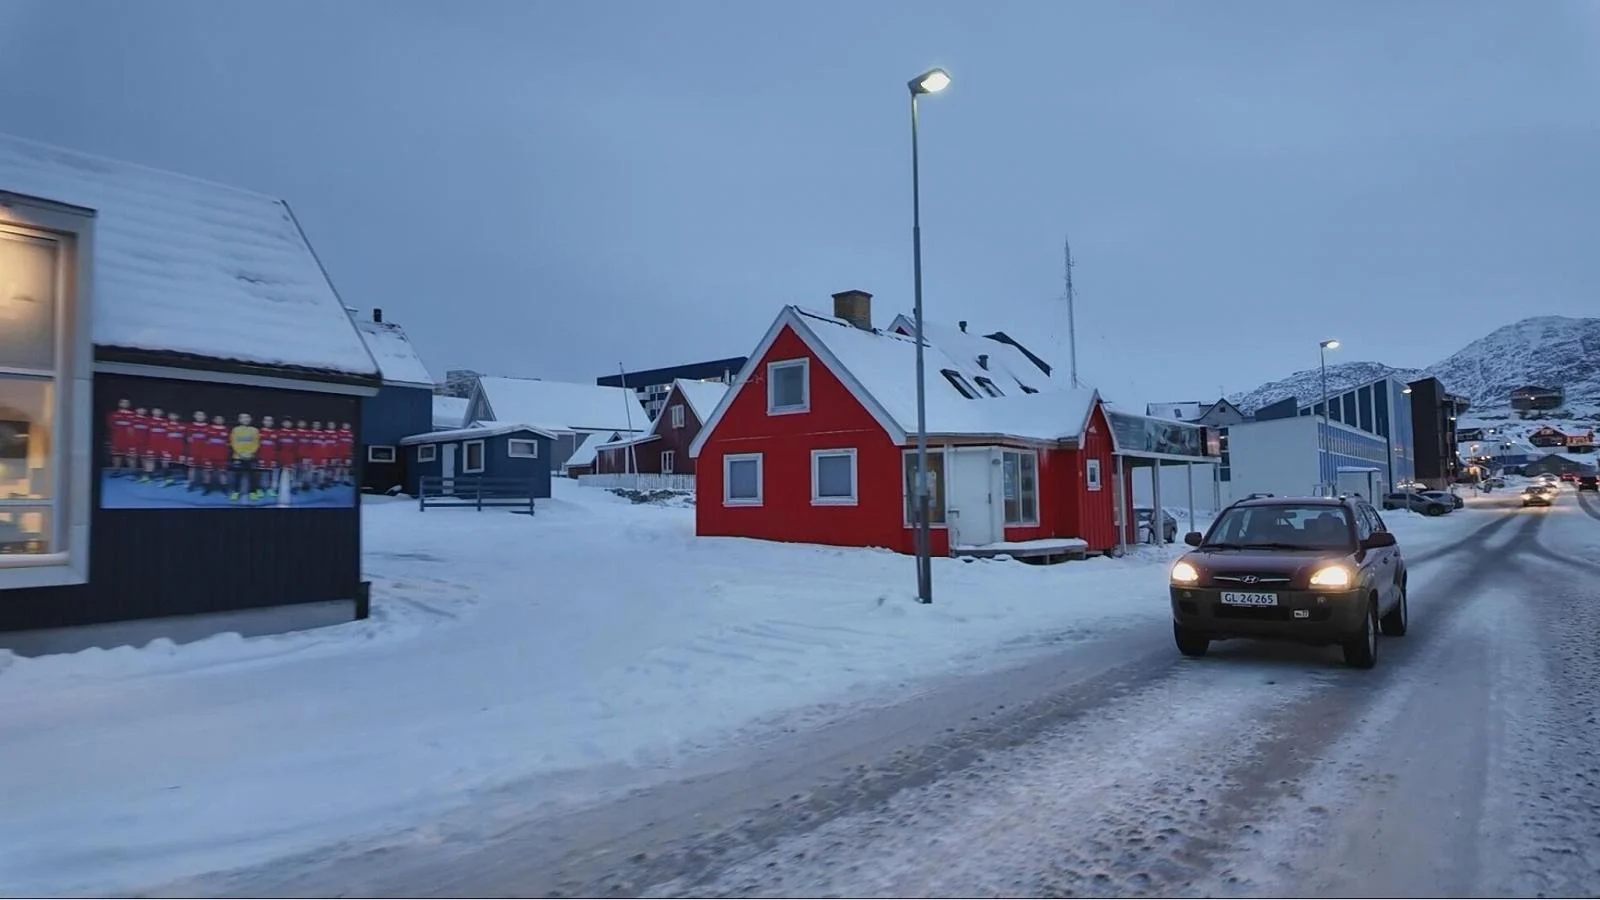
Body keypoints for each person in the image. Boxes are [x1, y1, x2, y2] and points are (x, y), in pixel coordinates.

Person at [228, 413, 263, 501]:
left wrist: (251, 452)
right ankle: (236, 492)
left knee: (253, 476)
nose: (245, 419)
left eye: (247, 417)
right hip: (238, 457)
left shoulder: (255, 430)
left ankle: (253, 492)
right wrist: (240, 453)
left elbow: (256, 443)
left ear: (250, 419)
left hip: (251, 457)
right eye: (243, 418)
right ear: (239, 420)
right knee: (237, 476)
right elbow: (233, 443)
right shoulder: (235, 430)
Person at [107, 398, 137, 476]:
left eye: (127, 402)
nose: (125, 404)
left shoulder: (133, 415)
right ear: (119, 404)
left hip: (130, 440)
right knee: (117, 455)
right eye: (123, 402)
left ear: (129, 404)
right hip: (117, 439)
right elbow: (111, 426)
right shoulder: (113, 414)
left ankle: (132, 472)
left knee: (131, 456)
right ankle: (116, 471)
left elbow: (135, 428)